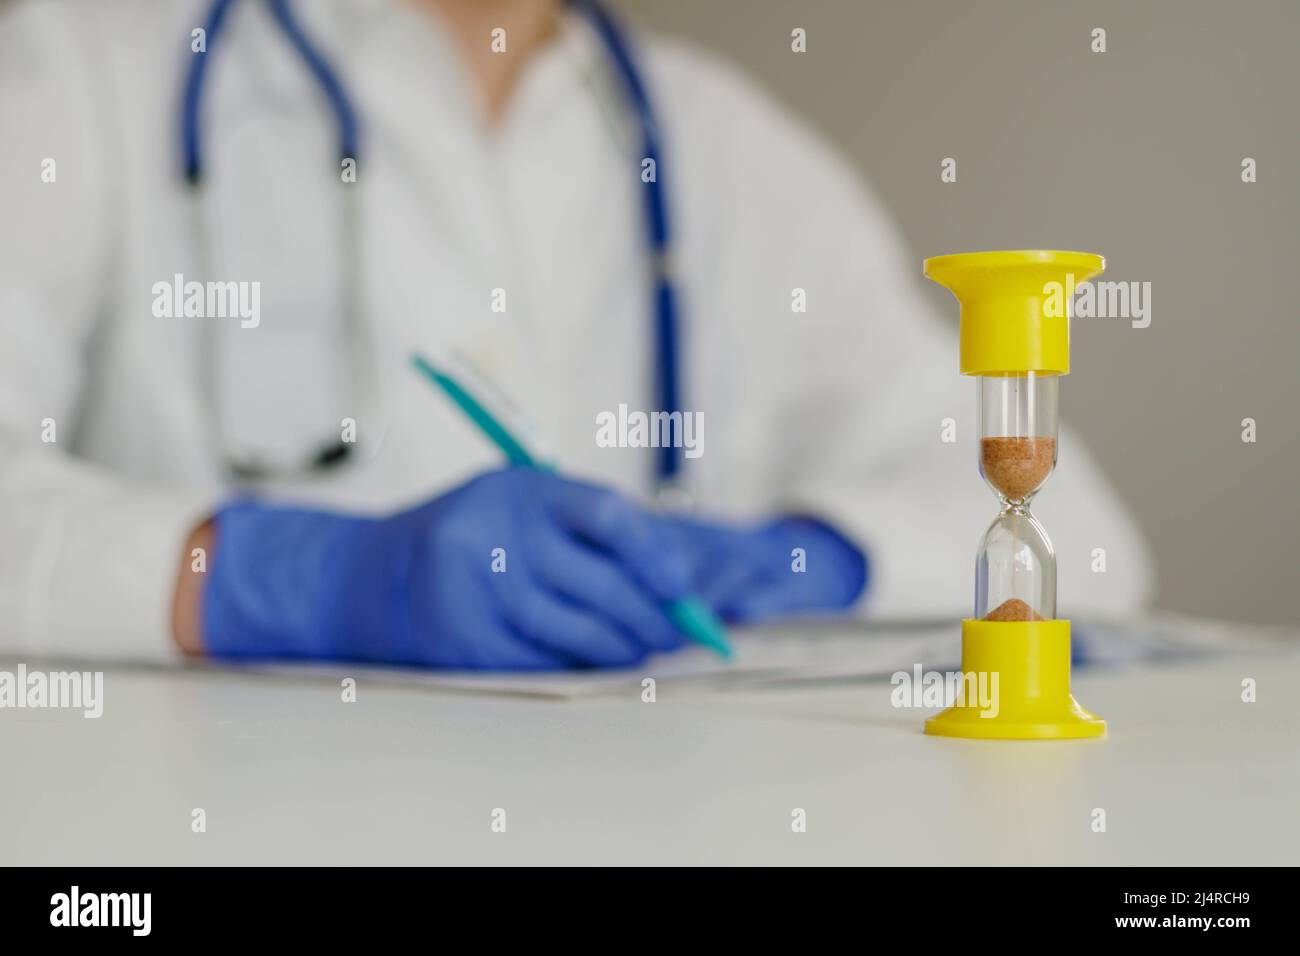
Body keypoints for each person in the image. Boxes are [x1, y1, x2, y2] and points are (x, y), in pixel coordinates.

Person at [0, 0, 1151, 669]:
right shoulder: (86, 62)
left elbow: (1091, 539)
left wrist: (804, 560)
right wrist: (293, 577)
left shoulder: (721, 139)